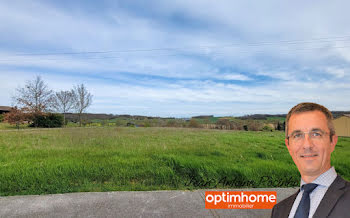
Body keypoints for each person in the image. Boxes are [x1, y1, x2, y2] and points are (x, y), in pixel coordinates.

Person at [271, 102, 350, 218]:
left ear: (332, 141)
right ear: (288, 146)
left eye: (316, 134)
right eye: (297, 135)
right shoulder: (279, 210)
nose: (307, 145)